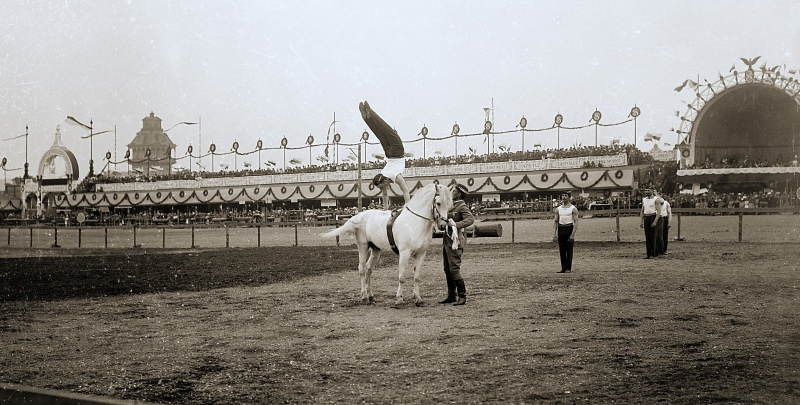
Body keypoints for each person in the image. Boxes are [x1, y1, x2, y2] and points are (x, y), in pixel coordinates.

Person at [359, 101, 411, 208]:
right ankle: (367, 117)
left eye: (382, 186)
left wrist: (408, 206)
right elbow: (385, 194)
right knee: (379, 132)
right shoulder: (383, 174)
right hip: (389, 153)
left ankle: (369, 114)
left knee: (385, 128)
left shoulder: (395, 176)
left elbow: (405, 190)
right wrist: (385, 209)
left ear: (384, 180)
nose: (384, 188)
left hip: (397, 150)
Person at [439, 183, 475, 306]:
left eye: (453, 191)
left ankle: (462, 296)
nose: (451, 192)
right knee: (447, 269)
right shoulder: (450, 205)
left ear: (458, 194)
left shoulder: (462, 206)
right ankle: (451, 295)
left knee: (454, 269)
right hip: (447, 240)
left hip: (455, 241)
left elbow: (470, 219)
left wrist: (456, 225)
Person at [553, 193, 579, 273]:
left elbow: (576, 222)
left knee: (569, 249)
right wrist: (554, 234)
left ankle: (568, 268)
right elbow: (555, 221)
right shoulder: (558, 209)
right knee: (562, 249)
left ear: (569, 197)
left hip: (569, 228)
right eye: (563, 195)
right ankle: (563, 267)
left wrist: (573, 234)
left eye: (565, 195)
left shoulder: (573, 208)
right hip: (561, 228)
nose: (564, 197)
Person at [640, 188, 663, 259]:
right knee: (647, 237)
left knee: (653, 236)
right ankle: (648, 254)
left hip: (653, 217)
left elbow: (658, 211)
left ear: (652, 191)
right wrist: (641, 221)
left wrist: (655, 221)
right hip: (646, 217)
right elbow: (642, 210)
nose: (647, 192)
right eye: (645, 190)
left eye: (648, 190)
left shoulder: (656, 200)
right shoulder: (644, 199)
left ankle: (654, 253)